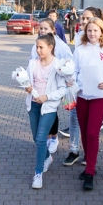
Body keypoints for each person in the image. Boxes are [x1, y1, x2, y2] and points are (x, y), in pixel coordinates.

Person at [74, 17, 103, 190]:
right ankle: (89, 163)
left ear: (102, 32)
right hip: (82, 95)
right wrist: (75, 84)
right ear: (85, 32)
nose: (92, 33)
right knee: (84, 132)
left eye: (96, 30)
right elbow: (74, 71)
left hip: (99, 96)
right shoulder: (80, 49)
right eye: (89, 30)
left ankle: (90, 171)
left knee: (93, 133)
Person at [60, 7, 103, 160]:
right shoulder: (80, 36)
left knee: (90, 128)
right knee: (73, 119)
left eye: (88, 19)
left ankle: (89, 154)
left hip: (95, 90)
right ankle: (74, 150)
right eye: (82, 18)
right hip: (78, 88)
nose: (84, 21)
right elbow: (76, 62)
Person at [24, 34, 67, 189]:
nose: (38, 50)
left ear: (50, 47)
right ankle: (48, 157)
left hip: (48, 107)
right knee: (37, 138)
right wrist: (27, 87)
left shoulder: (58, 65)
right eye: (37, 47)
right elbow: (28, 82)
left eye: (41, 47)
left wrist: (47, 97)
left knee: (42, 138)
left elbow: (63, 89)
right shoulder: (33, 63)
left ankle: (38, 173)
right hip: (34, 105)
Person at [30, 18, 73, 156]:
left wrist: (66, 75)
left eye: (46, 28)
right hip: (39, 86)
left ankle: (53, 136)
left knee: (51, 111)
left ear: (53, 30)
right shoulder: (36, 45)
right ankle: (45, 138)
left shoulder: (61, 45)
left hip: (56, 86)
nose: (42, 31)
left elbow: (69, 62)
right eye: (41, 28)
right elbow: (32, 62)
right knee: (42, 112)